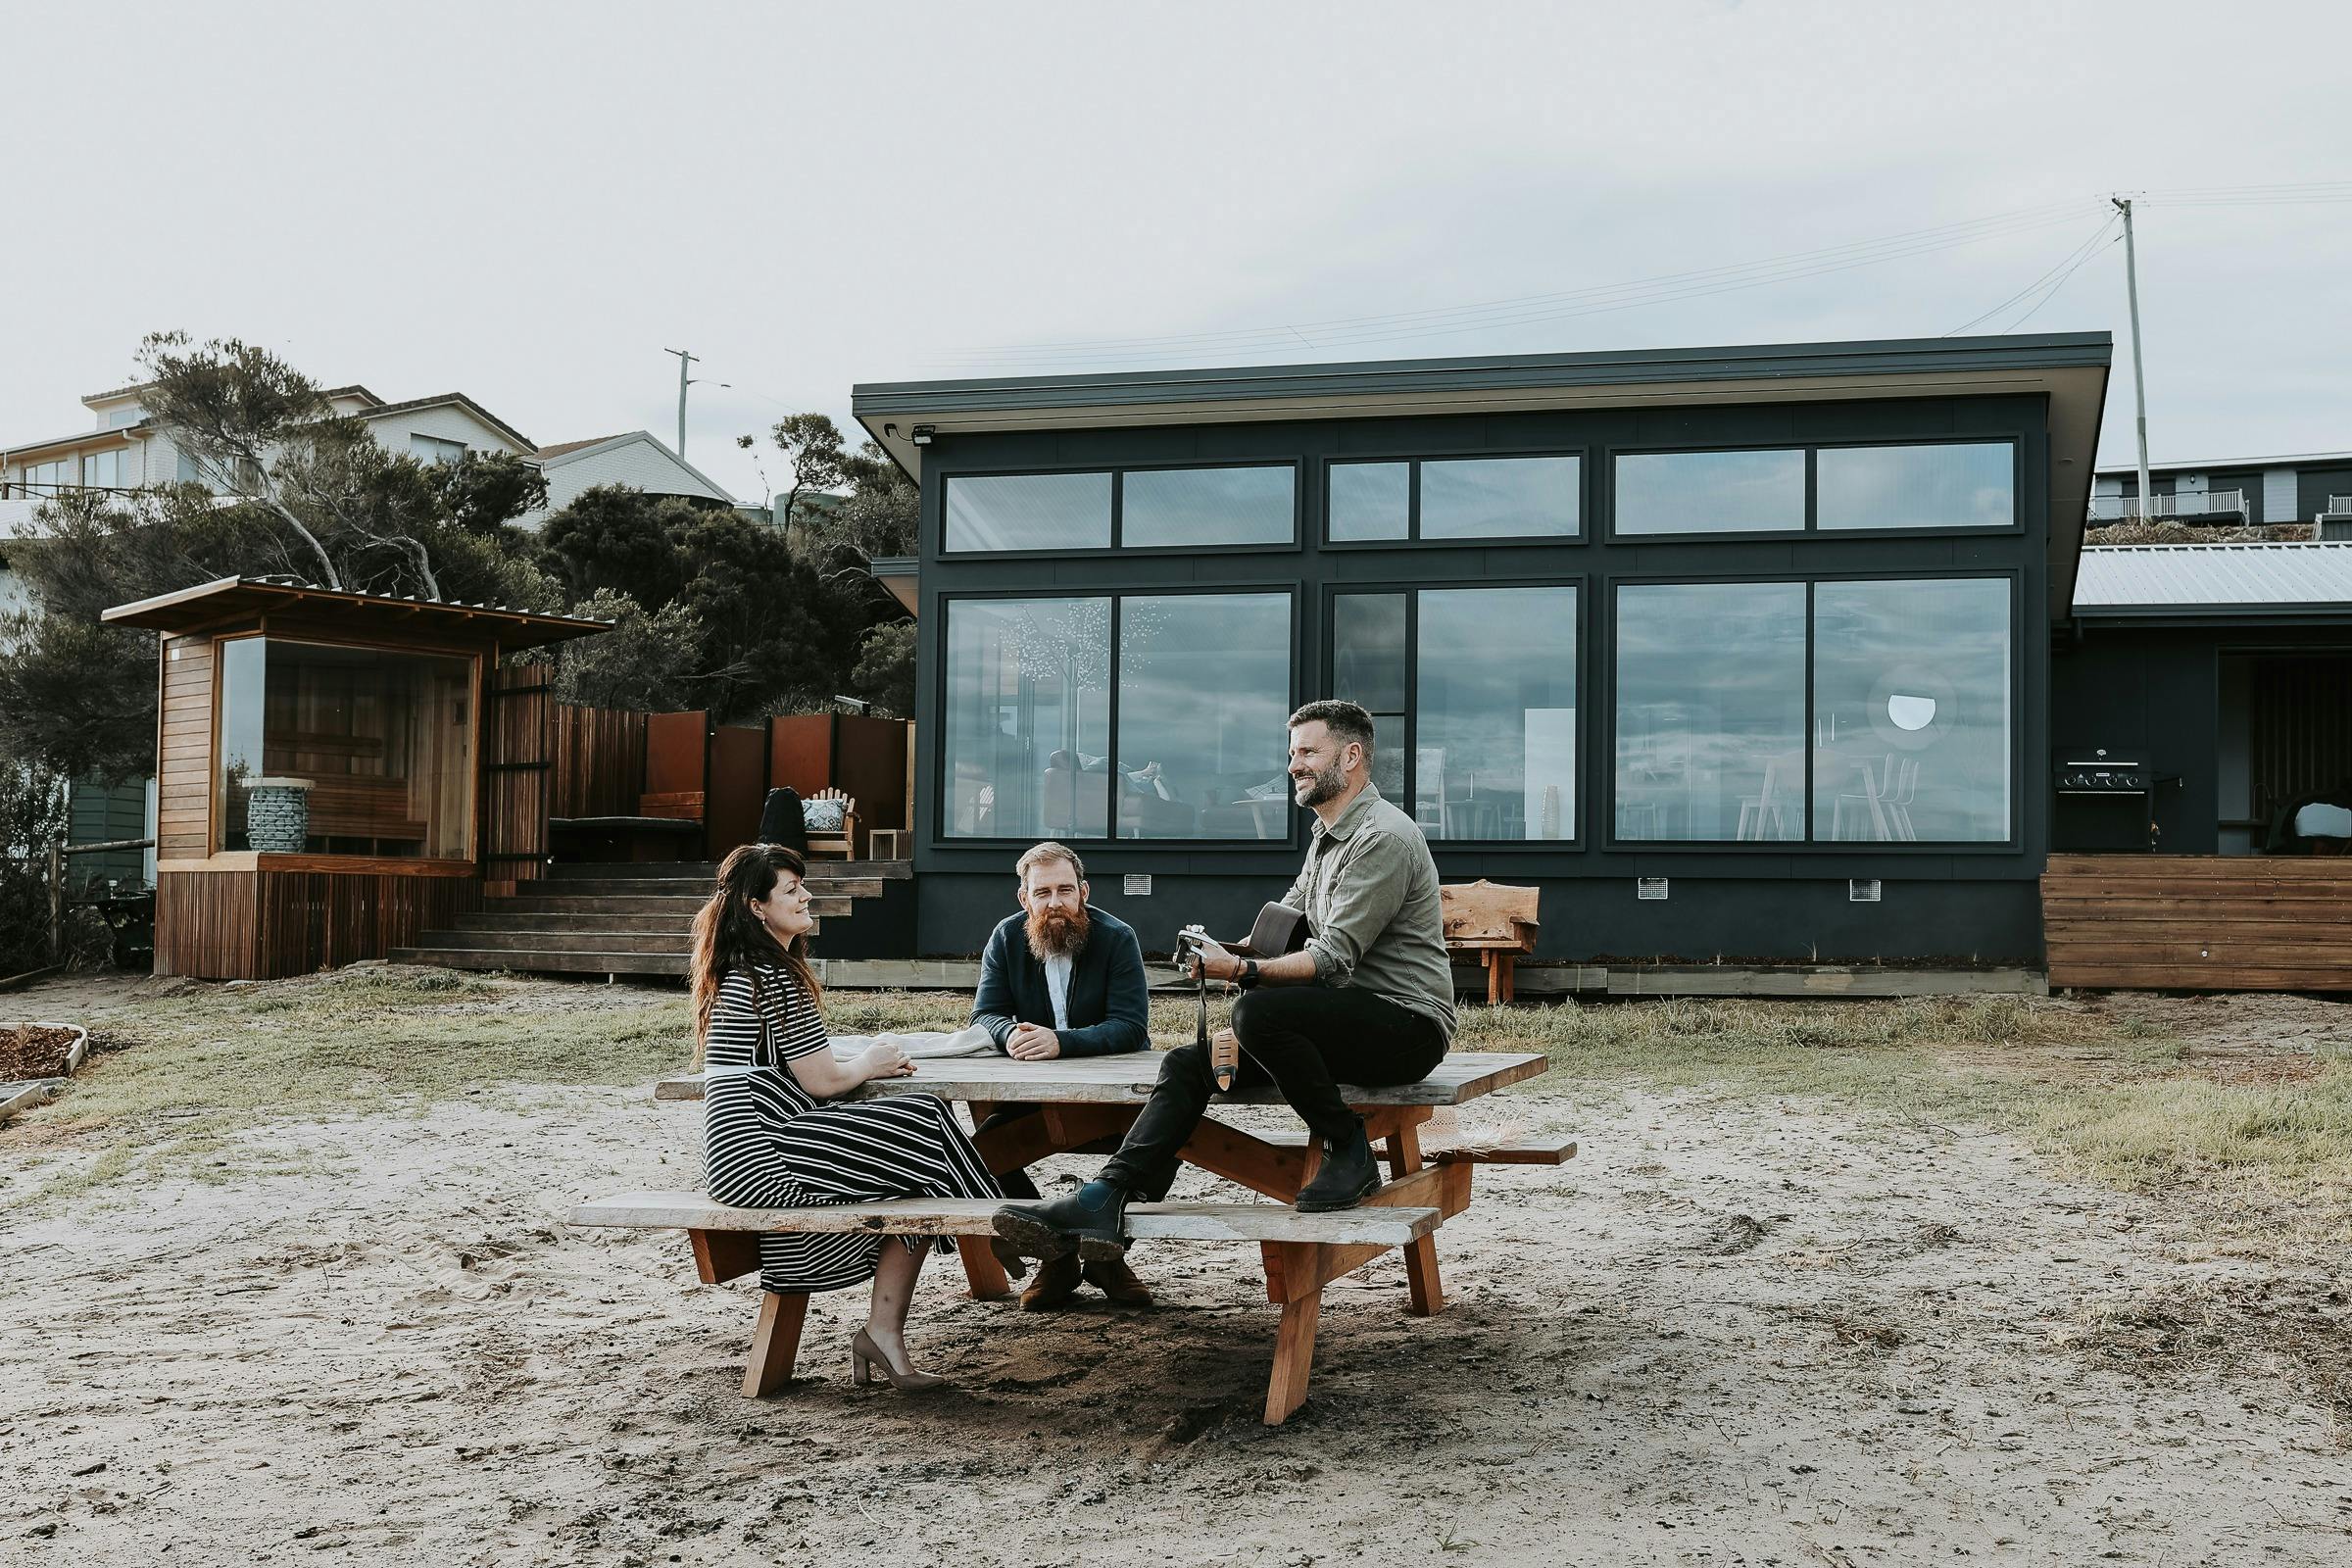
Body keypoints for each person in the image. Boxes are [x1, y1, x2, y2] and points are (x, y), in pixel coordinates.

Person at [993, 699, 1457, 1268]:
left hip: (1405, 1025)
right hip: (1340, 1020)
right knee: (1189, 1064)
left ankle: (1348, 1147)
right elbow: (1284, 926)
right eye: (1292, 754)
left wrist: (1238, 972)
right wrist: (1224, 952)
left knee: (1258, 1015)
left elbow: (1332, 957)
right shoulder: (1327, 835)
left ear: (1352, 756)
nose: (1294, 765)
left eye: (1308, 752)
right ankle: (1106, 1196)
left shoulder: (1381, 838)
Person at [691, 842, 999, 1392]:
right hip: (765, 1154)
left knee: (919, 1161)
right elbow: (823, 1081)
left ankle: (885, 1331)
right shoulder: (770, 974)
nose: (806, 895)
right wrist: (872, 1061)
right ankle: (1001, 1229)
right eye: (791, 889)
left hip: (741, 1154)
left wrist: (858, 1066)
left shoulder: (743, 970)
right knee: (924, 1123)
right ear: (757, 907)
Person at [970, 841, 1155, 1309]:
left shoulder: (1118, 937)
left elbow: (1132, 1027)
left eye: (1065, 890)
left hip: (1114, 1097)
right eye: (1043, 892)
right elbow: (985, 1014)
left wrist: (1061, 1041)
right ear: (1024, 899)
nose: (1055, 903)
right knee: (981, 1154)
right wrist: (1008, 1032)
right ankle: (1059, 1257)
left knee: (1169, 1140)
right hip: (1033, 1093)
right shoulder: (1006, 937)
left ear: (1084, 892)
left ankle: (1107, 1258)